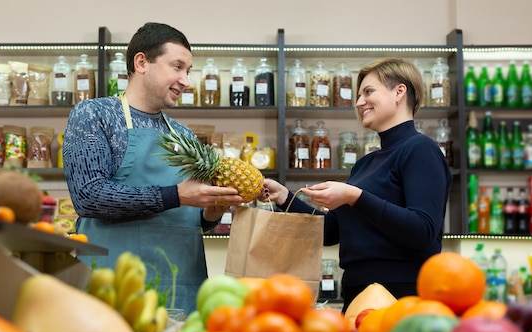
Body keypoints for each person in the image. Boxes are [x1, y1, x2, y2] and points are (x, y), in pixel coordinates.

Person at [63, 22, 242, 313]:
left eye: (188, 71)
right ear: (142, 62)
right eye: (177, 67)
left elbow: (192, 219)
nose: (185, 80)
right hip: (112, 290)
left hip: (180, 289)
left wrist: (213, 209)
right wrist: (178, 195)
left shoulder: (182, 135)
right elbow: (89, 196)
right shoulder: (95, 114)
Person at [260, 58, 452, 312]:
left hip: (403, 294)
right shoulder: (364, 165)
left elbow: (423, 231)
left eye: (368, 92)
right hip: (355, 293)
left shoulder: (421, 149)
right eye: (359, 95)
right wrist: (285, 196)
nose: (359, 102)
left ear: (399, 92)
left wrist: (355, 196)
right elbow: (331, 231)